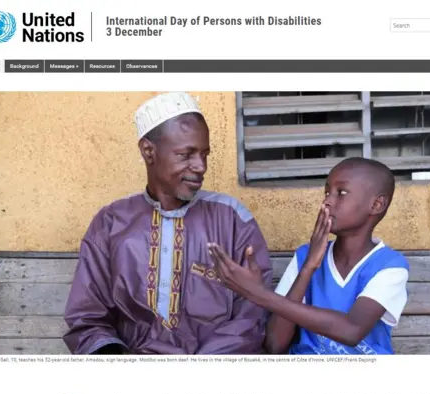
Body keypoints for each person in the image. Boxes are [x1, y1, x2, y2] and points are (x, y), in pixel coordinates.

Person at [63, 92, 272, 354]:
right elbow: (88, 318)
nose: (201, 166)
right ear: (148, 151)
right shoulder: (111, 223)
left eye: (204, 154)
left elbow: (251, 317)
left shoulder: (232, 219)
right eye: (186, 155)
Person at [208, 157, 409, 354]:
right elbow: (275, 345)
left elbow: (352, 330)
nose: (327, 201)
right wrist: (308, 268)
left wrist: (258, 293)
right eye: (327, 191)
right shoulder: (305, 256)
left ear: (376, 205)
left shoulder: (390, 266)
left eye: (342, 192)